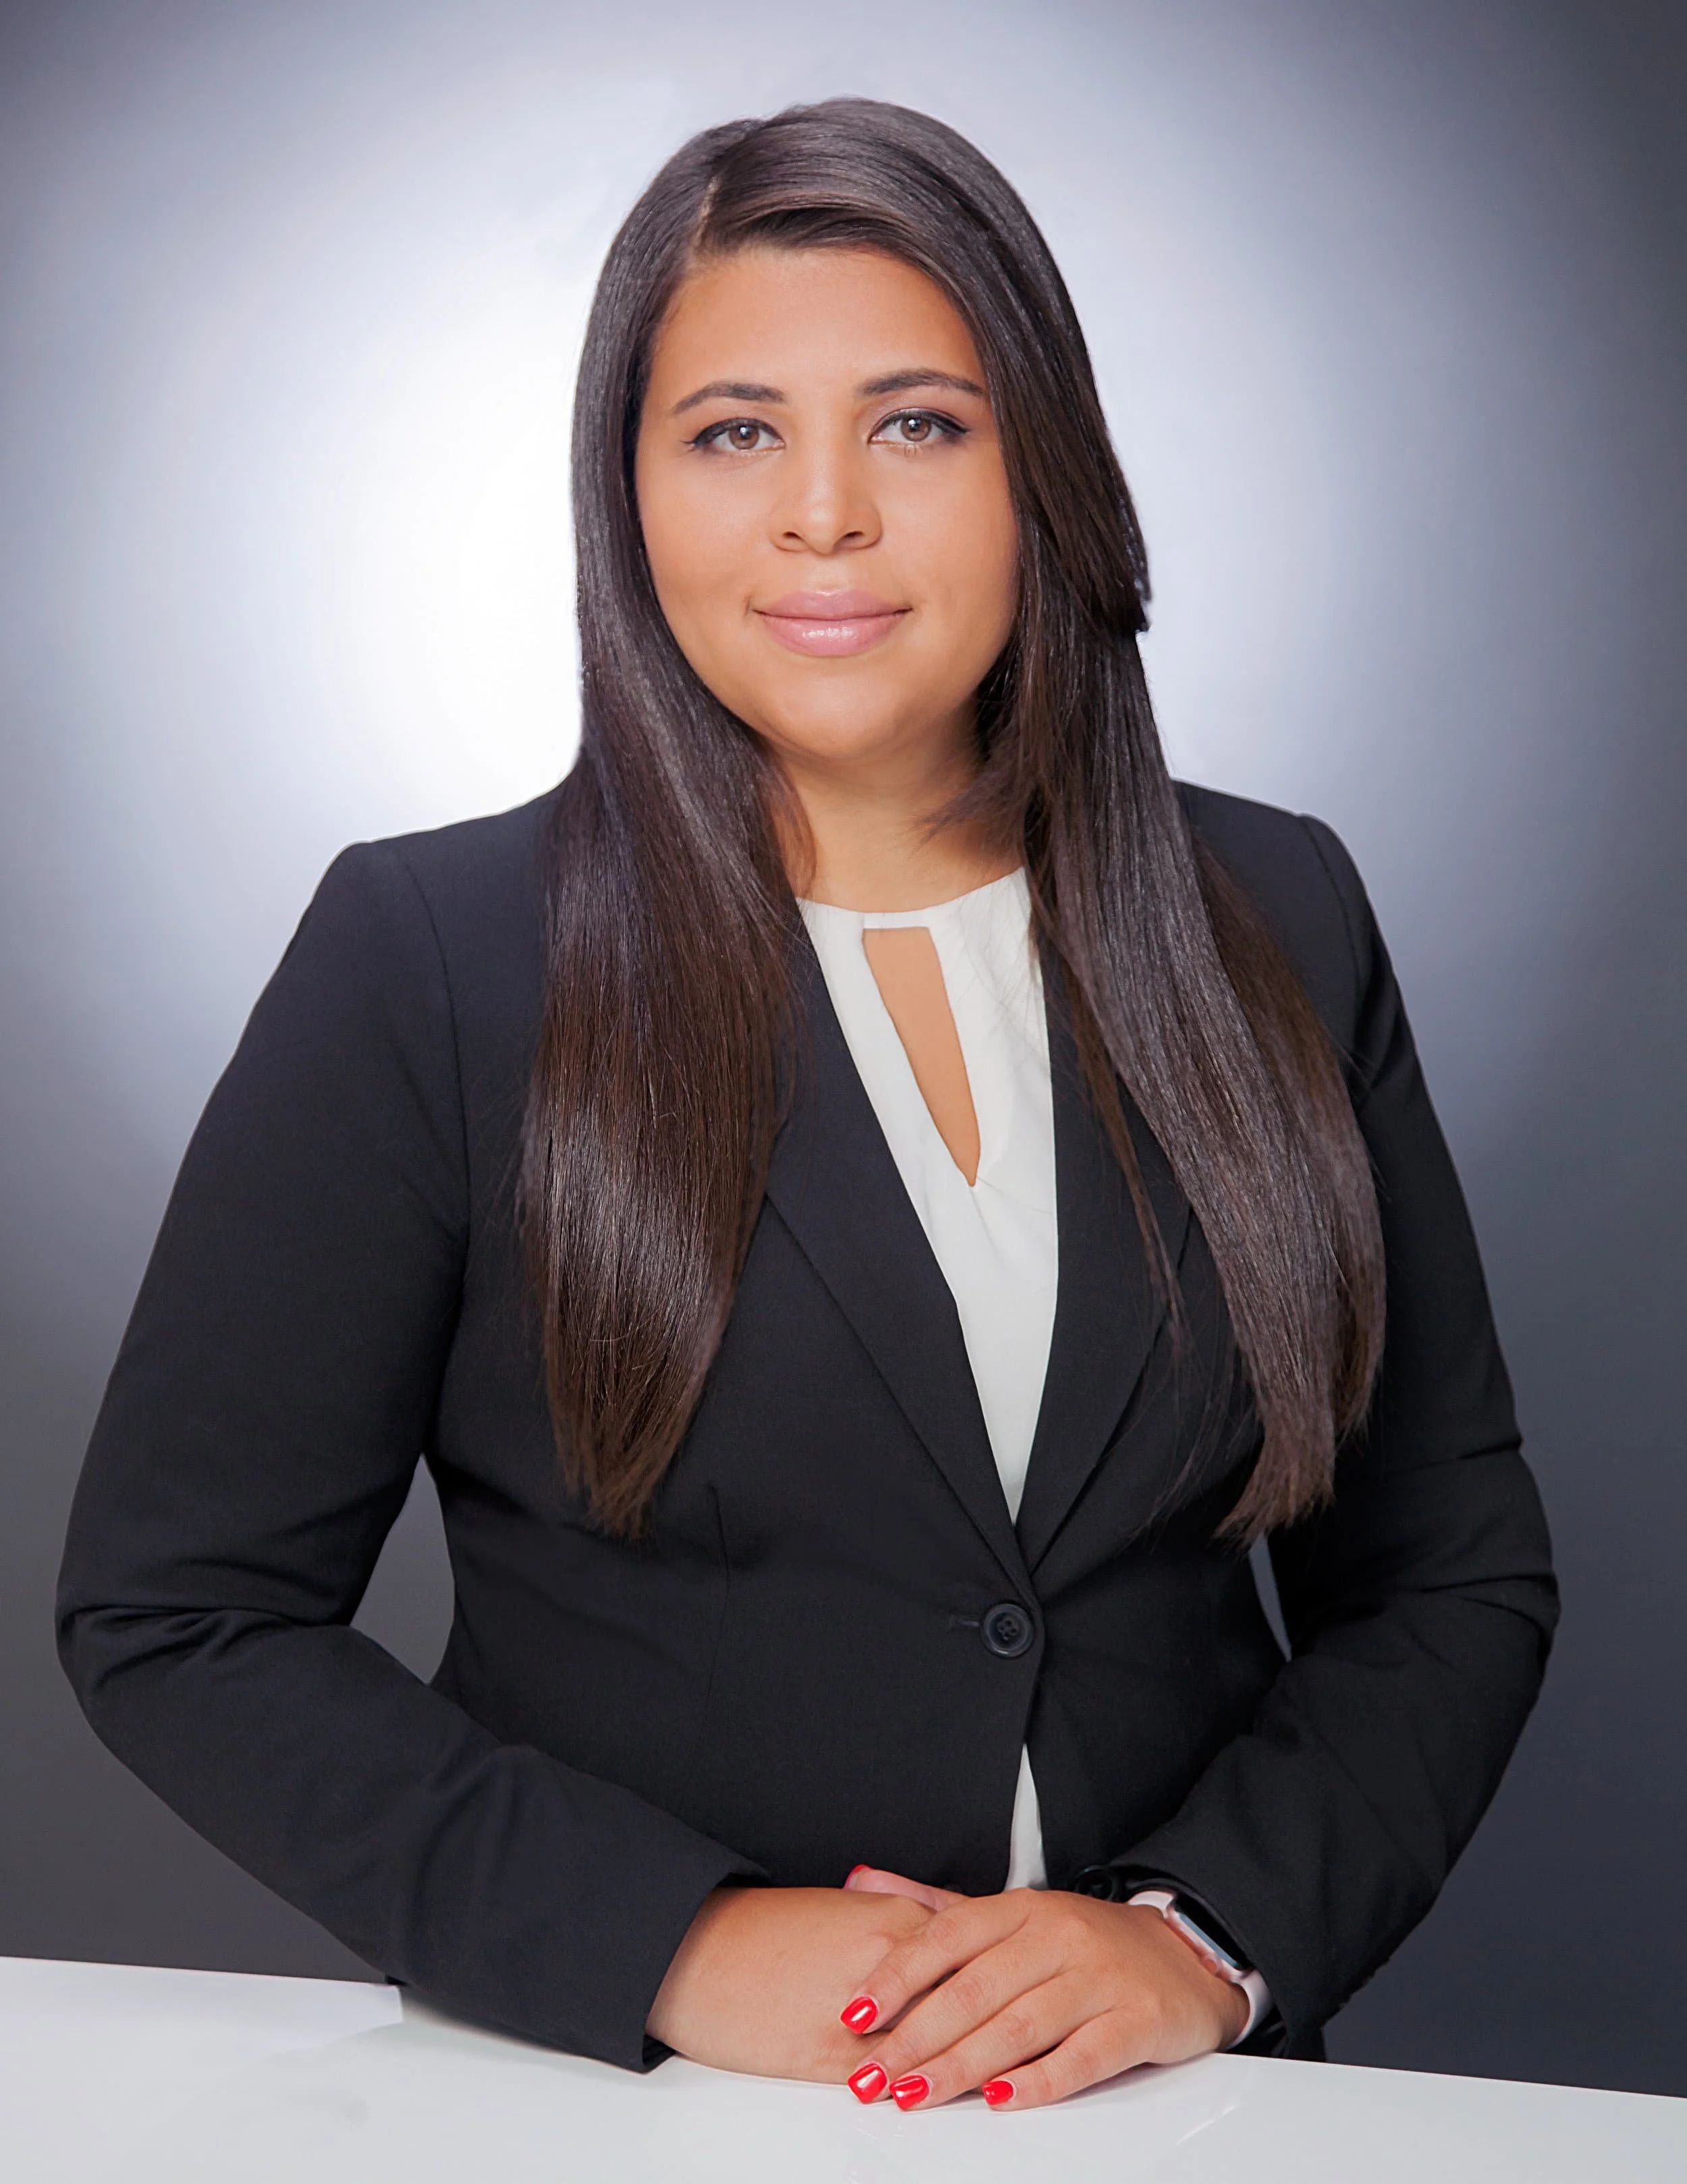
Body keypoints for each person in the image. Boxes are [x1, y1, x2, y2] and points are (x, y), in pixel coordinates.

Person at [55, 95, 1557, 2114]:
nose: (822, 515)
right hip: (610, 2100)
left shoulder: (1274, 910)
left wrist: (1201, 1933)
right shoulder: (430, 951)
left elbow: (1449, 1573)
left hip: (1180, 2108)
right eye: (733, 430)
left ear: (1049, 470)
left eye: (918, 423)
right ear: (632, 492)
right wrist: (675, 1937)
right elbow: (180, 1613)